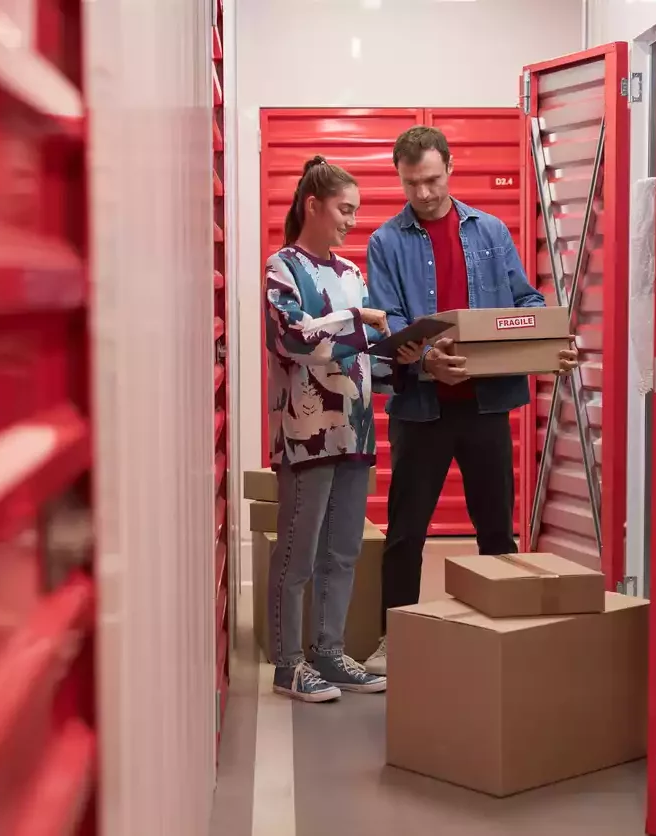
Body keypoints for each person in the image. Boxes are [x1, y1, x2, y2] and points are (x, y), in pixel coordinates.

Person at [362, 126, 579, 675]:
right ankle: (397, 639)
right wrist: (425, 359)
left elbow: (525, 299)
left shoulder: (491, 232)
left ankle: (502, 637)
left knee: (496, 531)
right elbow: (389, 320)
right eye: (412, 184)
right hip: (422, 411)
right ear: (401, 179)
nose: (425, 193)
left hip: (485, 406)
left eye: (432, 180)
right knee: (407, 533)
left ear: (450, 168)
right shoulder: (386, 242)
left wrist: (550, 337)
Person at [262, 155, 420, 702]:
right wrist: (362, 324)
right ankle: (288, 664)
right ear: (313, 205)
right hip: (308, 434)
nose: (352, 221)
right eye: (344, 209)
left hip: (354, 432)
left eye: (356, 211)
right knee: (297, 553)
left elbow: (367, 355)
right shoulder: (281, 268)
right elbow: (295, 340)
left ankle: (328, 654)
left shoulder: (352, 275)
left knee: (343, 551)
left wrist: (403, 351)